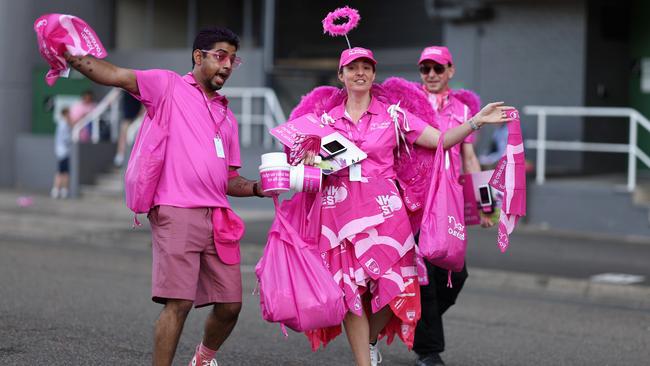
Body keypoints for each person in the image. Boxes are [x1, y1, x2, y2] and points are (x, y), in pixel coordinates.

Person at [290, 47, 511, 366]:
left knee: (397, 286)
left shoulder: (396, 114)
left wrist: (477, 121)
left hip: (388, 213)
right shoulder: (324, 121)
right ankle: (380, 357)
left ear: (374, 74)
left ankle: (368, 341)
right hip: (340, 214)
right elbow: (301, 160)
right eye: (352, 68)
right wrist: (308, 157)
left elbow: (445, 142)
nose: (360, 73)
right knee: (352, 293)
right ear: (341, 76)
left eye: (367, 67)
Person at [64, 26, 268, 366]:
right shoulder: (168, 86)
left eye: (233, 59)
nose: (228, 65)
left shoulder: (227, 116)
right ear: (198, 56)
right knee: (179, 303)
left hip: (217, 216)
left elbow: (229, 179)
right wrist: (71, 56)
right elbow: (113, 74)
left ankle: (202, 359)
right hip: (176, 210)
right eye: (220, 56)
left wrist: (259, 188)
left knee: (231, 303)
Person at [411, 46, 495, 366]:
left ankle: (414, 318)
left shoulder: (463, 110)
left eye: (438, 68)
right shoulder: (410, 105)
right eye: (425, 69)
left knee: (456, 276)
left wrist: (487, 206)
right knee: (426, 279)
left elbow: (469, 157)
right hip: (416, 202)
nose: (431, 75)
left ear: (451, 70)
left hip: (450, 203)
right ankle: (428, 351)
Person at [114, 91, 144, 167]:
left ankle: (124, 154)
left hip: (138, 100)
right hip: (130, 101)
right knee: (125, 129)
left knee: (135, 131)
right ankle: (120, 154)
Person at [51, 107, 74, 199]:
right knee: (61, 172)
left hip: (63, 151)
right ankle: (57, 190)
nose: (70, 115)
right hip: (62, 151)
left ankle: (63, 190)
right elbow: (65, 138)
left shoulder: (64, 124)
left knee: (64, 172)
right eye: (68, 113)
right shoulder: (63, 124)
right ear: (65, 114)